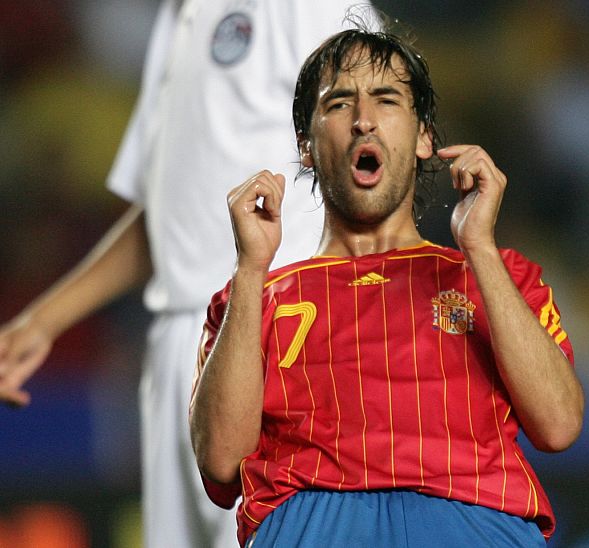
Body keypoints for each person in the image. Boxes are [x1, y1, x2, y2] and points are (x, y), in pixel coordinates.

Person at [189, 25, 584, 547]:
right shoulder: (252, 299)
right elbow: (221, 462)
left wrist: (481, 248)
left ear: (423, 137)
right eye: (339, 103)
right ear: (306, 146)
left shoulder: (498, 277)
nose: (363, 119)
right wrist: (249, 269)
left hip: (475, 524)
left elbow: (559, 425)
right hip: (314, 530)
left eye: (386, 99)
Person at [0, 2, 373, 547]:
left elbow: (378, 156)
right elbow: (167, 210)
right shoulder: (179, 18)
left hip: (278, 333)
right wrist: (42, 321)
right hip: (179, 339)